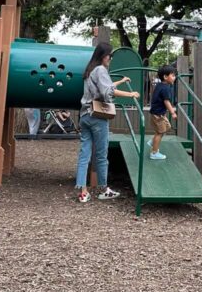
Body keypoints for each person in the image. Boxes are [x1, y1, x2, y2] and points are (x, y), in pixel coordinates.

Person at [75, 42, 139, 204]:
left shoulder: (89, 71)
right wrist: (130, 94)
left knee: (84, 154)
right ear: (104, 55)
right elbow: (107, 91)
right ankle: (104, 189)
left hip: (85, 116)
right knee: (102, 155)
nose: (111, 58)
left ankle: (83, 191)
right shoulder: (101, 70)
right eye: (110, 55)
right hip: (98, 116)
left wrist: (120, 81)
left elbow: (104, 86)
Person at [148, 65, 178, 160]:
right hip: (158, 115)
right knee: (160, 133)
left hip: (158, 113)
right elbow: (166, 101)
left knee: (167, 127)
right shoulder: (166, 88)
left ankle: (152, 142)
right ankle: (154, 153)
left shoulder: (160, 85)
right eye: (173, 75)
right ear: (165, 77)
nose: (175, 77)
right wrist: (172, 112)